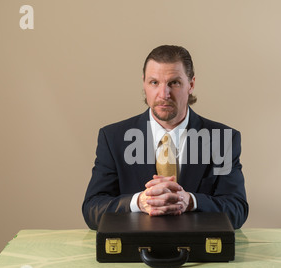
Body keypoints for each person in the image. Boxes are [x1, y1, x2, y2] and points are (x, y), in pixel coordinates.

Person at [82, 45, 248, 230]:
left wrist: (191, 201)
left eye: (174, 83)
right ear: (144, 83)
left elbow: (237, 210)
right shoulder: (113, 138)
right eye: (154, 82)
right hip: (134, 255)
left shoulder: (222, 140)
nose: (164, 94)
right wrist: (138, 202)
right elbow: (92, 209)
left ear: (191, 85)